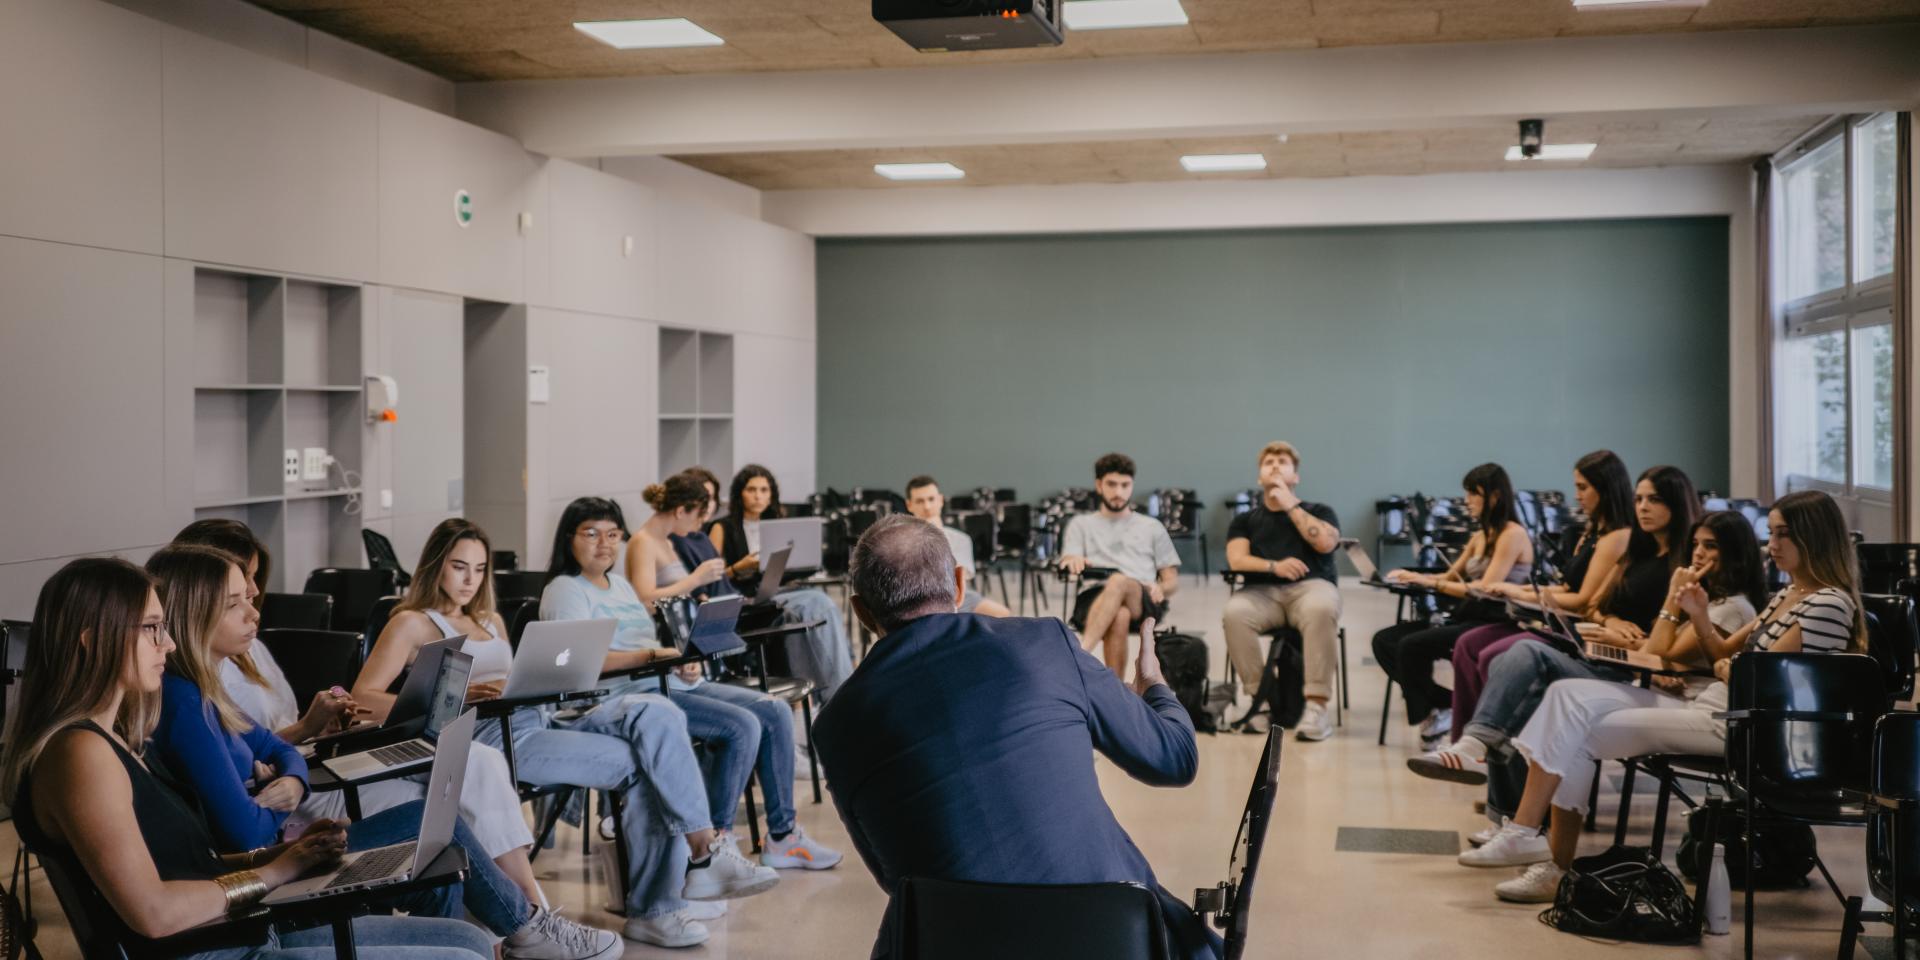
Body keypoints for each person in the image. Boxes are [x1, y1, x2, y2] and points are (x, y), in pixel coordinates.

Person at [0, 557, 494, 960]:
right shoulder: (80, 753)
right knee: (465, 953)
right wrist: (276, 872)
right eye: (152, 628)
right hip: (219, 948)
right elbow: (153, 912)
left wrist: (283, 856)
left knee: (471, 940)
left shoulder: (111, 740)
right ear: (91, 641)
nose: (168, 644)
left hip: (236, 929)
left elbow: (193, 865)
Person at [143, 544, 621, 960]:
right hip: (267, 866)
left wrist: (287, 777)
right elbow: (243, 830)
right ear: (195, 612)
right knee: (433, 823)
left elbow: (275, 748)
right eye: (235, 604)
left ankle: (516, 928)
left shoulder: (203, 692)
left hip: (276, 849)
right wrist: (278, 794)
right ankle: (528, 927)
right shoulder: (188, 705)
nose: (255, 612)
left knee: (439, 850)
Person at [357, 517, 774, 949]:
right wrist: (454, 699)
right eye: (460, 567)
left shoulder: (491, 620)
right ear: (436, 566)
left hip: (537, 720)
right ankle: (660, 903)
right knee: (646, 762)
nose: (470, 580)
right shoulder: (411, 623)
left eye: (480, 569)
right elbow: (364, 697)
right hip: (490, 739)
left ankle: (687, 871)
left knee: (653, 726)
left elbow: (518, 677)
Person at [814, 516, 1219, 960]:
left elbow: (895, 878)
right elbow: (1175, 758)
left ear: (860, 610)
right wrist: (1155, 689)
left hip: (952, 943)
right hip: (1115, 938)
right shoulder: (1044, 641)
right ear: (959, 583)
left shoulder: (837, 725)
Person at [1466, 490, 1863, 902]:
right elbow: (1726, 659)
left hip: (1745, 724)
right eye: (1772, 533)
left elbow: (1759, 679)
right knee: (1568, 700)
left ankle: (1537, 848)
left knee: (1574, 722)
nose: (1772, 544)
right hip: (1717, 704)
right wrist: (1697, 614)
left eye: (1784, 534)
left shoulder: (1829, 603)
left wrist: (1731, 666)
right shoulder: (1788, 595)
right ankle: (1536, 846)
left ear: (1813, 537)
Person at [611, 477, 843, 871]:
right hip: (664, 665)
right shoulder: (642, 543)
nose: (700, 525)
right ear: (682, 510)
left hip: (686, 656)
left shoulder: (672, 541)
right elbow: (644, 600)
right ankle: (717, 838)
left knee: (776, 711)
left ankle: (782, 834)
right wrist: (696, 580)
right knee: (744, 725)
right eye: (699, 514)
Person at [1441, 451, 1635, 747]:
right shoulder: (1591, 533)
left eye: (1583, 488)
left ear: (1606, 488)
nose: (1577, 496)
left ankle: (1496, 745)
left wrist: (1519, 592)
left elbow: (1582, 601)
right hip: (1555, 622)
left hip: (1572, 631)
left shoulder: (1616, 538)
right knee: (1469, 645)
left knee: (1494, 656)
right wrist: (1523, 592)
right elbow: (1566, 588)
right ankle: (1467, 741)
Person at [1371, 463, 1533, 749]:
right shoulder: (1480, 536)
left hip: (1496, 621)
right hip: (1467, 616)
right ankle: (1443, 706)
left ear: (1494, 497)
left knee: (1412, 645)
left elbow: (1484, 590)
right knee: (1385, 641)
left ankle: (1443, 712)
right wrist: (1415, 577)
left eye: (1473, 494)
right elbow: (1449, 577)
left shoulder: (1512, 534)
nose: (1467, 501)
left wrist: (1432, 584)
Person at [1219, 442, 1342, 741]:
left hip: (1311, 588)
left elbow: (1325, 543)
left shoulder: (1319, 510)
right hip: (1262, 592)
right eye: (1269, 462)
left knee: (1320, 608)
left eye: (1283, 462)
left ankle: (1316, 707)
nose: (1275, 466)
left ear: (1295, 476)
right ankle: (1260, 702)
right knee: (1234, 613)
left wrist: (1289, 504)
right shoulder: (1245, 520)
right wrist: (1275, 566)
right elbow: (1237, 559)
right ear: (1260, 477)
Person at [709, 464, 855, 701]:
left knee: (819, 608)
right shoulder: (722, 528)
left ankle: (833, 686)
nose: (758, 496)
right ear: (740, 494)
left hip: (775, 590)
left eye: (764, 490)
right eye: (752, 490)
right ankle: (840, 690)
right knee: (819, 603)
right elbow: (713, 577)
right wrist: (738, 568)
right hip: (743, 597)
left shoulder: (778, 523)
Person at [1058, 452, 1182, 677]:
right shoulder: (1081, 524)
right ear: (1099, 485)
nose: (1118, 492)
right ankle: (1116, 690)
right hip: (1093, 598)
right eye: (1112, 484)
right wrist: (1071, 560)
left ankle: (1080, 654)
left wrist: (1161, 587)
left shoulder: (1151, 526)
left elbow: (1172, 580)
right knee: (1119, 615)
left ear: (1132, 485)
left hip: (1141, 597)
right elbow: (1069, 560)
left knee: (1119, 580)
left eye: (1125, 485)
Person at [903, 475, 1013, 618]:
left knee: (1004, 615)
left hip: (957, 597)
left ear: (940, 500)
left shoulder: (961, 539)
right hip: (917, 600)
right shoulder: (902, 540)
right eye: (920, 501)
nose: (927, 506)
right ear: (909, 505)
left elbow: (961, 579)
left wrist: (938, 535)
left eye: (931, 499)